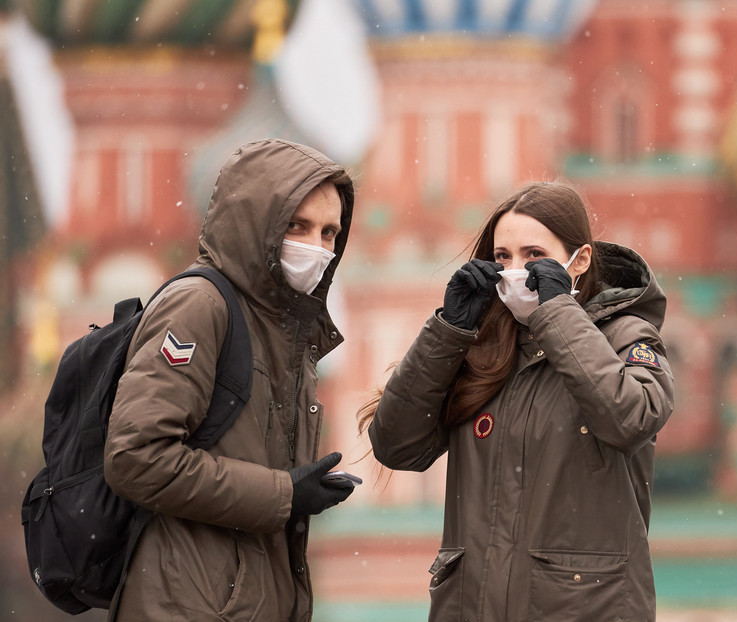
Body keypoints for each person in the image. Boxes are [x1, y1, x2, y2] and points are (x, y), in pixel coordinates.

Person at [359, 181, 675, 621]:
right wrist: (450, 329)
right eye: (502, 257)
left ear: (579, 260)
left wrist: (557, 310)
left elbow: (631, 418)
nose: (515, 270)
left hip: (582, 608)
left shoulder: (627, 337)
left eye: (534, 256)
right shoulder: (487, 349)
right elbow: (396, 444)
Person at [103, 138, 357, 621]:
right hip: (188, 603)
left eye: (329, 233)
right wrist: (284, 493)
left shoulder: (286, 328)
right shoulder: (202, 305)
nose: (316, 248)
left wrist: (297, 489)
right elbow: (135, 457)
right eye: (297, 226)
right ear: (255, 221)